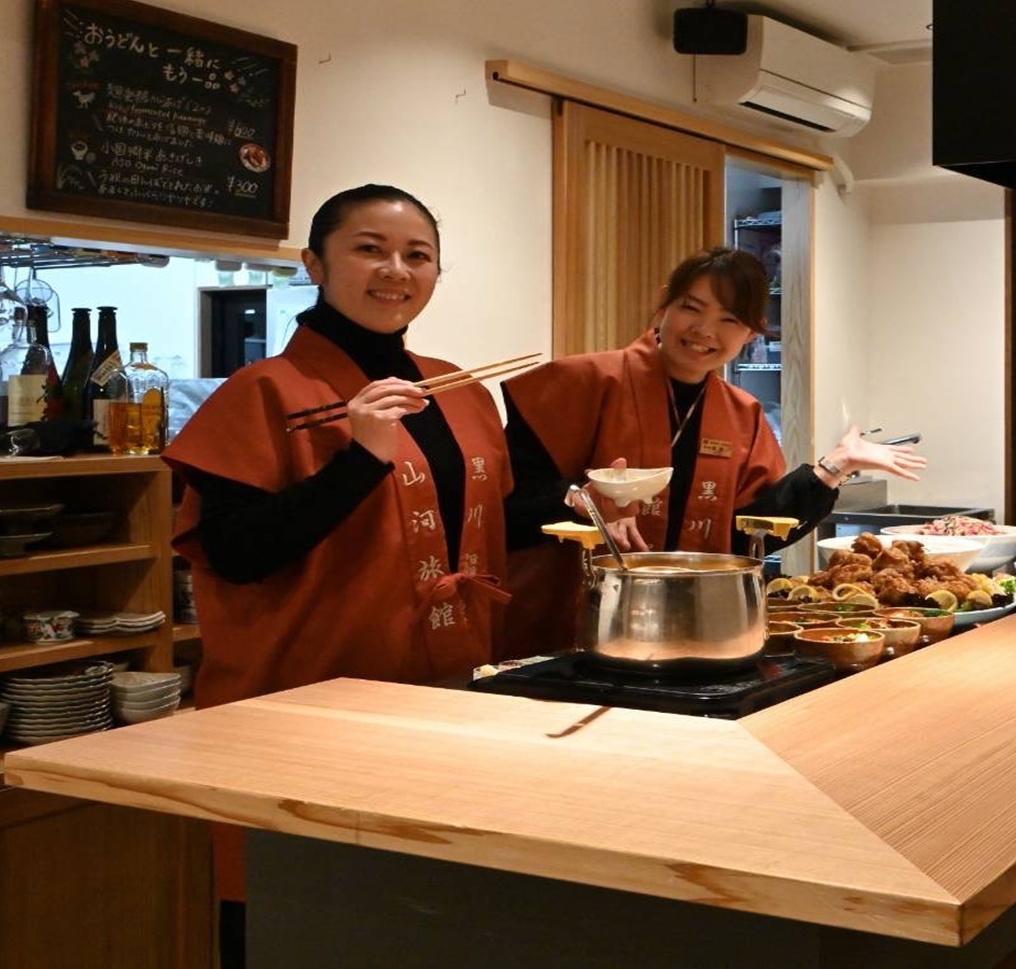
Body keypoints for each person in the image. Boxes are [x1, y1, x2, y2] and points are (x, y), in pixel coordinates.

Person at [162, 184, 513, 928]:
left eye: (418, 255)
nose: (396, 269)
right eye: (369, 249)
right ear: (313, 263)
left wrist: (586, 502)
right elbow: (234, 551)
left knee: (424, 918)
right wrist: (359, 460)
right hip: (306, 706)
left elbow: (488, 519)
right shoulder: (262, 391)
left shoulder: (456, 389)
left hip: (441, 693)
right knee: (310, 919)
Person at [499, 246, 926, 657]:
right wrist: (577, 501)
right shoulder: (582, 382)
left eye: (729, 319)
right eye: (691, 307)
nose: (705, 330)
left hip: (692, 629)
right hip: (569, 628)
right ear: (664, 305)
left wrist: (835, 467)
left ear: (750, 332)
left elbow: (748, 533)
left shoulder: (742, 414)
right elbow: (503, 506)